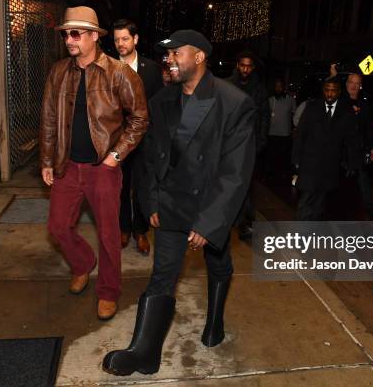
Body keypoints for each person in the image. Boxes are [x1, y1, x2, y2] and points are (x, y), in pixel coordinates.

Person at [102, 30, 255, 376]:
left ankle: (214, 320)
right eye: (167, 55)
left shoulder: (234, 102)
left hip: (209, 205)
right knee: (162, 275)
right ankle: (144, 352)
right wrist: (150, 200)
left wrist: (208, 223)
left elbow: (236, 173)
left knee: (218, 261)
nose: (169, 60)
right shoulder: (161, 102)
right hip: (170, 203)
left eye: (176, 54)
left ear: (199, 57)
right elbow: (151, 160)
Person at [40, 7, 148, 320]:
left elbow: (140, 118)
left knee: (109, 234)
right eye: (65, 33)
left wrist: (116, 155)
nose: (69, 40)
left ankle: (108, 291)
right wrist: (47, 159)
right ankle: (83, 264)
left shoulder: (118, 72)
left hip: (104, 167)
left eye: (75, 33)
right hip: (67, 166)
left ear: (93, 36)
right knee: (58, 227)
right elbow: (48, 118)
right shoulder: (59, 71)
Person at [113, 18, 163, 255]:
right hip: (118, 140)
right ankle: (123, 228)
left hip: (145, 140)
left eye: (125, 39)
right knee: (120, 186)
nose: (120, 44)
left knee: (143, 186)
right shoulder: (108, 66)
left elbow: (158, 105)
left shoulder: (151, 69)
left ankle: (140, 231)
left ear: (135, 39)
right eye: (116, 40)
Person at [291, 77, 360, 220]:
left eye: (333, 91)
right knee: (306, 199)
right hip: (310, 163)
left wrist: (352, 163)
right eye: (327, 90)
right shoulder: (312, 107)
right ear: (323, 91)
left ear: (339, 92)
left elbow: (351, 139)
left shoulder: (346, 112)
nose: (329, 94)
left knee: (320, 202)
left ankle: (312, 233)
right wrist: (296, 159)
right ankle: (299, 234)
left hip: (330, 166)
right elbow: (300, 134)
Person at [226, 51, 269, 240]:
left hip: (250, 144)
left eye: (248, 66)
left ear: (252, 68)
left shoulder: (259, 89)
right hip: (229, 144)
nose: (245, 69)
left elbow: (264, 117)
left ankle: (246, 223)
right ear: (237, 65)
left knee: (248, 185)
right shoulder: (227, 85)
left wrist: (260, 142)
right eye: (242, 65)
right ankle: (227, 219)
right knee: (227, 183)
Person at [344, 73, 373, 220]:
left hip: (357, 149)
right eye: (352, 82)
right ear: (346, 84)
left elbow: (368, 128)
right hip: (340, 150)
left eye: (357, 83)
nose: (354, 86)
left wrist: (372, 148)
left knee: (363, 178)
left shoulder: (363, 105)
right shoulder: (339, 102)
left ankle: (370, 211)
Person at [266, 78, 296, 177]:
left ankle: (283, 173)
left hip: (285, 133)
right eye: (276, 86)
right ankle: (270, 173)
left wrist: (293, 129)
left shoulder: (290, 100)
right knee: (271, 156)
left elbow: (294, 116)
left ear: (283, 88)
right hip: (272, 133)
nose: (278, 88)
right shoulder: (270, 100)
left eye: (280, 86)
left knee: (284, 156)